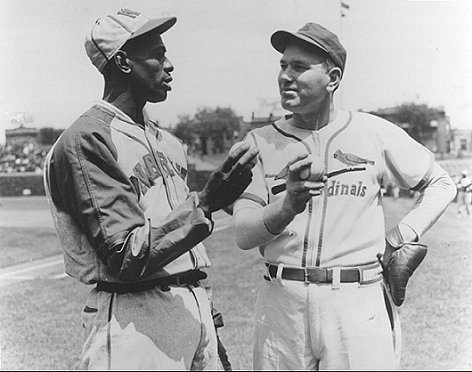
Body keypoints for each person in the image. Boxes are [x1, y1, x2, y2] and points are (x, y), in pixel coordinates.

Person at [231, 22, 457, 370]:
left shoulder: (372, 131)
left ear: (333, 78)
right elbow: (244, 234)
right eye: (283, 66)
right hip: (281, 301)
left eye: (299, 66)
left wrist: (398, 239)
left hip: (356, 299)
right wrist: (287, 207)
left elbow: (441, 184)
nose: (285, 76)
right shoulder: (260, 142)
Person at [42, 8, 258, 370]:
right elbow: (125, 256)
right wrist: (205, 203)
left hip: (192, 305)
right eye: (158, 54)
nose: (169, 64)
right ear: (123, 61)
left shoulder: (169, 142)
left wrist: (208, 317)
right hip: (133, 317)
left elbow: (185, 251)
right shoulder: (87, 139)